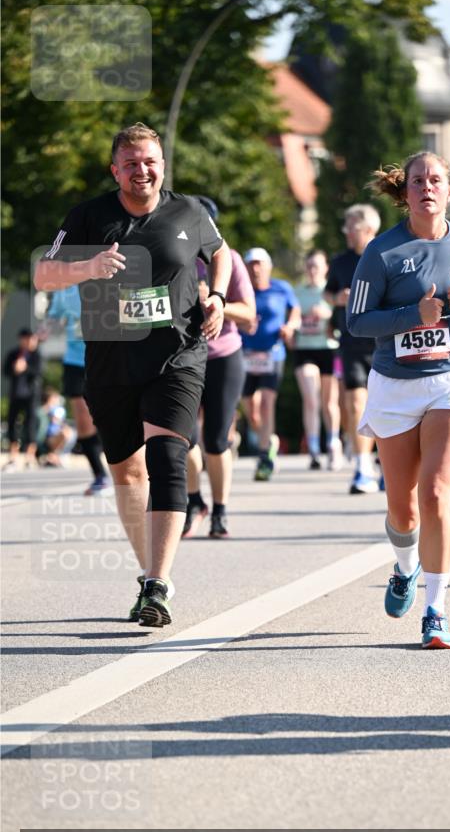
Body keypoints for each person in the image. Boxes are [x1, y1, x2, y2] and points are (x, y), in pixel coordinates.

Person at [34, 122, 231, 627]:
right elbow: (44, 273)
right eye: (131, 164)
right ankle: (148, 574)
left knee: (167, 458)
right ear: (115, 170)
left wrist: (216, 295)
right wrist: (88, 267)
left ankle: (158, 584)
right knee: (127, 472)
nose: (142, 171)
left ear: (162, 165)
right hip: (111, 361)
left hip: (177, 355)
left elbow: (221, 253)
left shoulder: (188, 211)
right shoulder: (88, 216)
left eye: (150, 162)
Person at [347, 151, 450, 648]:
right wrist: (412, 316)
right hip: (395, 384)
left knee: (436, 494)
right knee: (403, 510)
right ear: (406, 191)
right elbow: (357, 322)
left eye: (436, 180)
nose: (427, 188)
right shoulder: (381, 252)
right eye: (418, 181)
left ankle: (435, 611)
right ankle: (405, 567)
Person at [183, 197, 256, 538]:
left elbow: (249, 314)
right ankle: (194, 501)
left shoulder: (230, 260)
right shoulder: (174, 258)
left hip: (223, 356)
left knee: (215, 439)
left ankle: (220, 510)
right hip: (182, 358)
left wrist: (216, 302)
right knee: (183, 438)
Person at [325, 204, 382, 493]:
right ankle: (363, 468)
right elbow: (327, 292)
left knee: (384, 406)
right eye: (345, 227)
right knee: (356, 404)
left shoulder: (387, 255)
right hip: (351, 342)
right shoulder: (340, 261)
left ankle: (387, 463)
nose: (347, 232)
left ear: (369, 229)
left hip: (384, 342)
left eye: (352, 227)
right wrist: (338, 298)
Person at [241, 248, 300, 481]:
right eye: (251, 264)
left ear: (268, 267)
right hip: (245, 354)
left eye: (259, 264)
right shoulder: (241, 290)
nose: (255, 269)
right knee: (251, 410)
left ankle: (264, 457)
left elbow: (295, 310)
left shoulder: (281, 288)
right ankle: (268, 440)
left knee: (266, 403)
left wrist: (290, 326)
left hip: (272, 354)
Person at [46, 285, 111, 494]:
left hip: (106, 357)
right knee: (83, 421)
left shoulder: (105, 281)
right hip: (75, 361)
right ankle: (100, 475)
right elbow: (54, 315)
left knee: (111, 416)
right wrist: (45, 328)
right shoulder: (64, 287)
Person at [293, 250, 342, 470]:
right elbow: (290, 318)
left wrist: (328, 316)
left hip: (329, 349)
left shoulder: (330, 292)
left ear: (325, 268)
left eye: (317, 266)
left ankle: (333, 443)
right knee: (311, 398)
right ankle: (313, 448)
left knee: (329, 402)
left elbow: (343, 317)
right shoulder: (297, 292)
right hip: (305, 350)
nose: (312, 270)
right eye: (309, 265)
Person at [3, 328, 42, 470]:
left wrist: (25, 368)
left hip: (31, 396)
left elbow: (38, 371)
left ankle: (30, 456)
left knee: (30, 424)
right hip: (16, 394)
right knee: (12, 423)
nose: (31, 342)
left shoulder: (36, 355)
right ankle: (13, 456)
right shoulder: (13, 354)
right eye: (28, 339)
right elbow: (5, 371)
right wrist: (15, 368)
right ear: (22, 339)